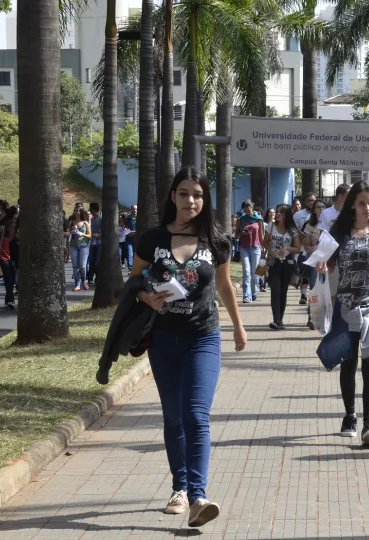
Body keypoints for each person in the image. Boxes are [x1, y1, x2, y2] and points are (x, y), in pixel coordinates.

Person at [131, 166, 247, 528]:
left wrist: (238, 326)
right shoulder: (152, 239)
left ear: (205, 199)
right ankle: (178, 488)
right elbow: (133, 282)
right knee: (173, 416)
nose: (190, 201)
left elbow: (224, 286)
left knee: (196, 414)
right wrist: (148, 298)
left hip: (203, 337)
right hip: (163, 339)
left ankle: (198, 496)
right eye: (184, 194)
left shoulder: (216, 240)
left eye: (197, 195)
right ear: (173, 196)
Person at [318, 180, 369, 447]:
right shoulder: (339, 233)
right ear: (353, 204)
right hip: (347, 305)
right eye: (362, 203)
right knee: (349, 361)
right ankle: (350, 416)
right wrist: (322, 266)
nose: (368, 208)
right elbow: (325, 263)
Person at [262, 204, 301, 330]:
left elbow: (297, 249)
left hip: (287, 264)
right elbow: (265, 242)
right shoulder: (271, 226)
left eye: (281, 212)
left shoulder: (292, 230)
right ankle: (276, 320)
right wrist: (271, 250)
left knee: (283, 291)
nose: (277, 214)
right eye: (277, 211)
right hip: (274, 262)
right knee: (275, 290)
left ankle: (280, 320)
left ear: (286, 215)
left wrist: (287, 248)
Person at [300, 199, 325, 329]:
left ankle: (324, 317)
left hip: (329, 261)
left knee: (326, 290)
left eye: (323, 207)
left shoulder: (330, 223)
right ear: (314, 210)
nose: (320, 209)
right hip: (315, 260)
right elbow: (307, 246)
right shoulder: (310, 225)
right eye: (318, 207)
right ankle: (312, 317)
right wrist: (317, 248)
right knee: (315, 288)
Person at [236, 200, 264, 303]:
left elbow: (261, 235)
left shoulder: (259, 219)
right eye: (245, 211)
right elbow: (236, 235)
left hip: (256, 248)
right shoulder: (241, 219)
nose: (247, 213)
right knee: (246, 271)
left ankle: (254, 292)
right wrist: (242, 233)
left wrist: (264, 247)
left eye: (249, 210)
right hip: (244, 247)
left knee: (254, 272)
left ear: (252, 208)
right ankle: (246, 296)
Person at [68, 206, 91, 292]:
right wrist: (70, 232)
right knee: (75, 266)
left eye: (77, 211)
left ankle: (84, 281)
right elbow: (68, 233)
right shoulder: (71, 222)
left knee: (83, 266)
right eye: (74, 211)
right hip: (73, 246)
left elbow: (90, 236)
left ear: (81, 212)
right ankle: (77, 284)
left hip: (83, 246)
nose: (75, 212)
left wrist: (82, 234)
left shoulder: (85, 223)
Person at [87, 202, 102, 285]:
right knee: (91, 261)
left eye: (90, 209)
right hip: (92, 243)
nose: (90, 210)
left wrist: (99, 235)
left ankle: (98, 278)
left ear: (93, 209)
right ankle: (90, 278)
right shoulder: (91, 219)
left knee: (97, 262)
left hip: (99, 243)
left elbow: (106, 231)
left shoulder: (101, 219)